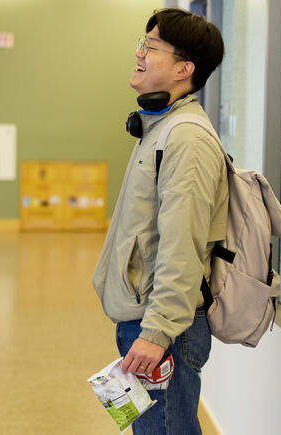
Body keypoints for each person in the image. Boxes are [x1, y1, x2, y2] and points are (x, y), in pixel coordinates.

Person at [92, 8, 227, 434]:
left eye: (151, 47)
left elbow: (181, 247)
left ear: (185, 69)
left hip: (162, 327)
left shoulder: (185, 138)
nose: (139, 53)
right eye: (142, 43)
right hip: (148, 321)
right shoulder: (162, 128)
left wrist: (157, 332)